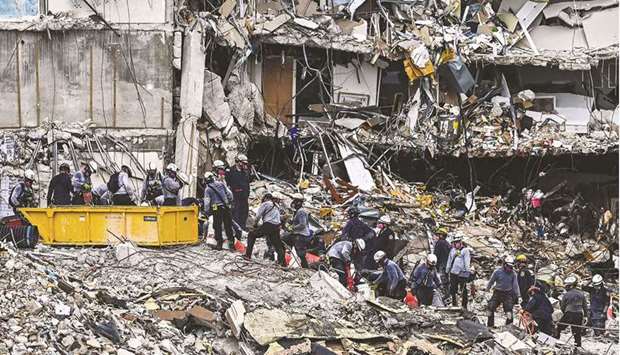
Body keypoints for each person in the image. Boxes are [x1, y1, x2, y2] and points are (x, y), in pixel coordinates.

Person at [245, 192, 285, 266]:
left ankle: (247, 255)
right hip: (276, 227)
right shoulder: (277, 206)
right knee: (278, 245)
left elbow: (258, 216)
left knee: (251, 235)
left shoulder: (266, 204)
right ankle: (282, 264)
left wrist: (254, 225)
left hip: (268, 225)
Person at [203, 172, 235, 250]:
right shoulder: (221, 184)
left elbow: (207, 202)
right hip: (226, 207)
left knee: (217, 226)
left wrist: (206, 211)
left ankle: (219, 243)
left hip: (216, 208)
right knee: (228, 225)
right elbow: (229, 194)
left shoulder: (208, 189)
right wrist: (229, 202)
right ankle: (231, 242)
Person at [486, 255, 520, 327]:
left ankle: (509, 327)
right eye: (508, 266)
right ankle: (490, 326)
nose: (509, 269)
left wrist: (518, 295)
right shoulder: (497, 272)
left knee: (509, 313)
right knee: (490, 308)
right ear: (504, 265)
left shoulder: (513, 274)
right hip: (497, 293)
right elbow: (491, 281)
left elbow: (515, 285)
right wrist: (487, 289)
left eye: (511, 267)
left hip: (507, 294)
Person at [555, 276, 588, 347]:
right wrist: (585, 316)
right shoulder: (581, 294)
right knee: (577, 331)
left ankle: (556, 339)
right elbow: (585, 306)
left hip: (569, 313)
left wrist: (565, 313)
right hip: (579, 314)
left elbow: (562, 306)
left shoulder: (566, 294)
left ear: (571, 286)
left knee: (559, 327)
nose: (565, 287)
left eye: (567, 286)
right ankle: (578, 345)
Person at [282, 193, 313, 267]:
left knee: (300, 253)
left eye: (295, 201)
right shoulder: (297, 211)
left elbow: (302, 224)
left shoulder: (301, 211)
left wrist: (292, 228)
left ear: (299, 202)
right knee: (283, 240)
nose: (293, 203)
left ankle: (305, 267)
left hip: (301, 235)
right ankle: (283, 261)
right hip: (296, 234)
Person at [225, 154, 250, 236]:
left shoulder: (245, 172)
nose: (245, 165)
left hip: (244, 195)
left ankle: (243, 227)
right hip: (235, 196)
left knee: (244, 212)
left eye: (246, 163)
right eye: (243, 163)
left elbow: (247, 183)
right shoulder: (230, 171)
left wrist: (247, 193)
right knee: (236, 212)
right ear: (238, 162)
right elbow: (227, 184)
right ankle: (237, 229)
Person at [446, 233, 471, 309]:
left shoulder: (465, 251)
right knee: (453, 289)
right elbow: (449, 260)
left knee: (463, 290)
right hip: (453, 273)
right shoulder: (452, 250)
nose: (455, 244)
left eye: (456, 242)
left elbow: (467, 262)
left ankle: (464, 305)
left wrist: (467, 271)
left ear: (460, 242)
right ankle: (454, 304)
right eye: (454, 242)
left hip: (461, 273)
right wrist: (447, 270)